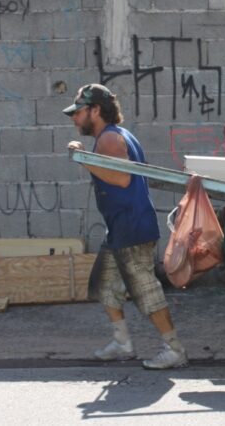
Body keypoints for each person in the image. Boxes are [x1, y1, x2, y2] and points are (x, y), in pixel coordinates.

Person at [64, 83, 187, 370]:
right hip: (119, 227)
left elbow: (120, 180)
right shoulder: (116, 135)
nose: (74, 118)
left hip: (133, 227)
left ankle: (174, 349)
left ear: (95, 110)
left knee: (145, 291)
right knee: (105, 286)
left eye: (79, 112)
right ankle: (122, 343)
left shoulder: (110, 139)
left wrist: (84, 159)